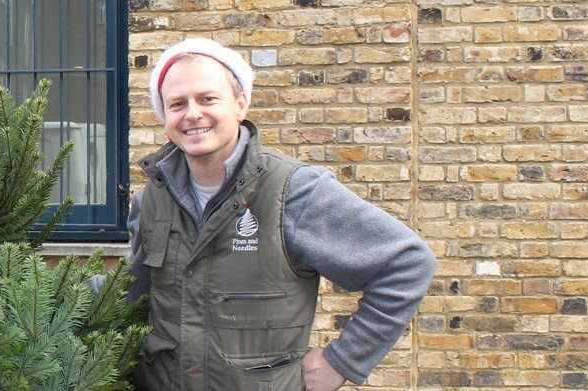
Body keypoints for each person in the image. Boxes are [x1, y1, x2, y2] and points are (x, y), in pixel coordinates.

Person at [125, 38, 435, 390]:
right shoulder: (151, 201)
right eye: (177, 104)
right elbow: (131, 295)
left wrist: (342, 361)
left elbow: (407, 262)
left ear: (241, 104)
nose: (193, 114)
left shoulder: (294, 191)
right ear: (165, 117)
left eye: (208, 98)